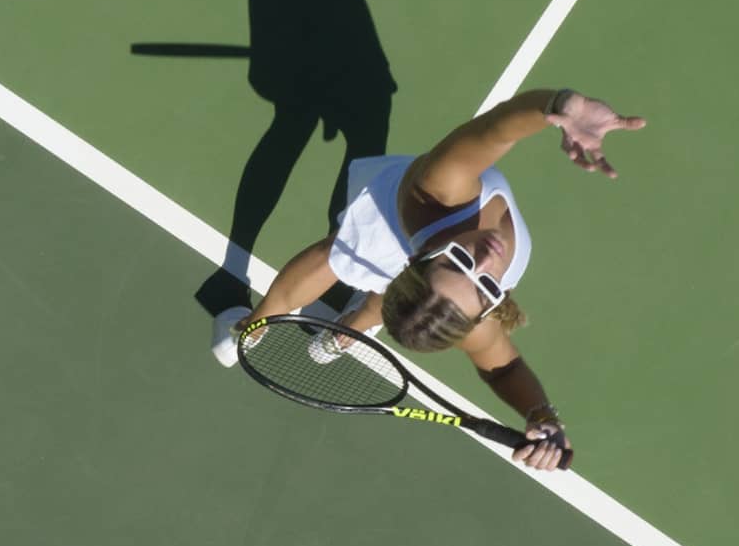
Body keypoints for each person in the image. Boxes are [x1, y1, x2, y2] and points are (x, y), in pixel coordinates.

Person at [211, 87, 645, 471]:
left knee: (360, 273)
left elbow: (498, 129)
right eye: (485, 287)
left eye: (459, 262)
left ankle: (303, 330)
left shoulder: (444, 187)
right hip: (408, 246)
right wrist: (542, 415)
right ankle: (277, 328)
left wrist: (560, 108)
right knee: (378, 284)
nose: (485, 261)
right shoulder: (442, 218)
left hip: (400, 223)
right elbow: (503, 367)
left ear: (418, 262)